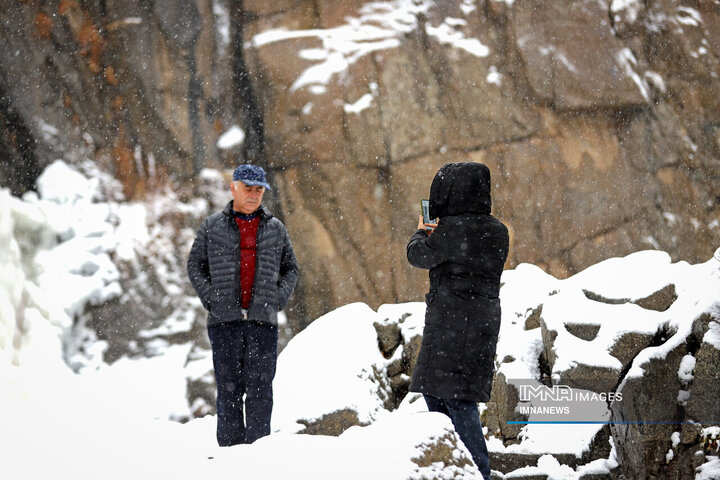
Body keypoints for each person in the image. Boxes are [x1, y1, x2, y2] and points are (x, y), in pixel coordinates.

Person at [406, 162, 509, 480]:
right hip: (478, 325)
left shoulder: (450, 230)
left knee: (452, 398)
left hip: (451, 325)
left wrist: (423, 229)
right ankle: (458, 465)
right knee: (446, 393)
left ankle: (477, 471)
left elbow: (416, 254)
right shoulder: (498, 230)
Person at [187, 164, 299, 446]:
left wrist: (277, 299)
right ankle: (230, 456)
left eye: (259, 189)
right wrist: (211, 299)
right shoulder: (212, 226)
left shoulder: (276, 228)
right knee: (228, 391)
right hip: (224, 322)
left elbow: (291, 269)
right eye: (248, 188)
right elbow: (195, 265)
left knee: (261, 391)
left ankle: (259, 454)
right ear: (233, 187)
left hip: (263, 323)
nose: (254, 194)